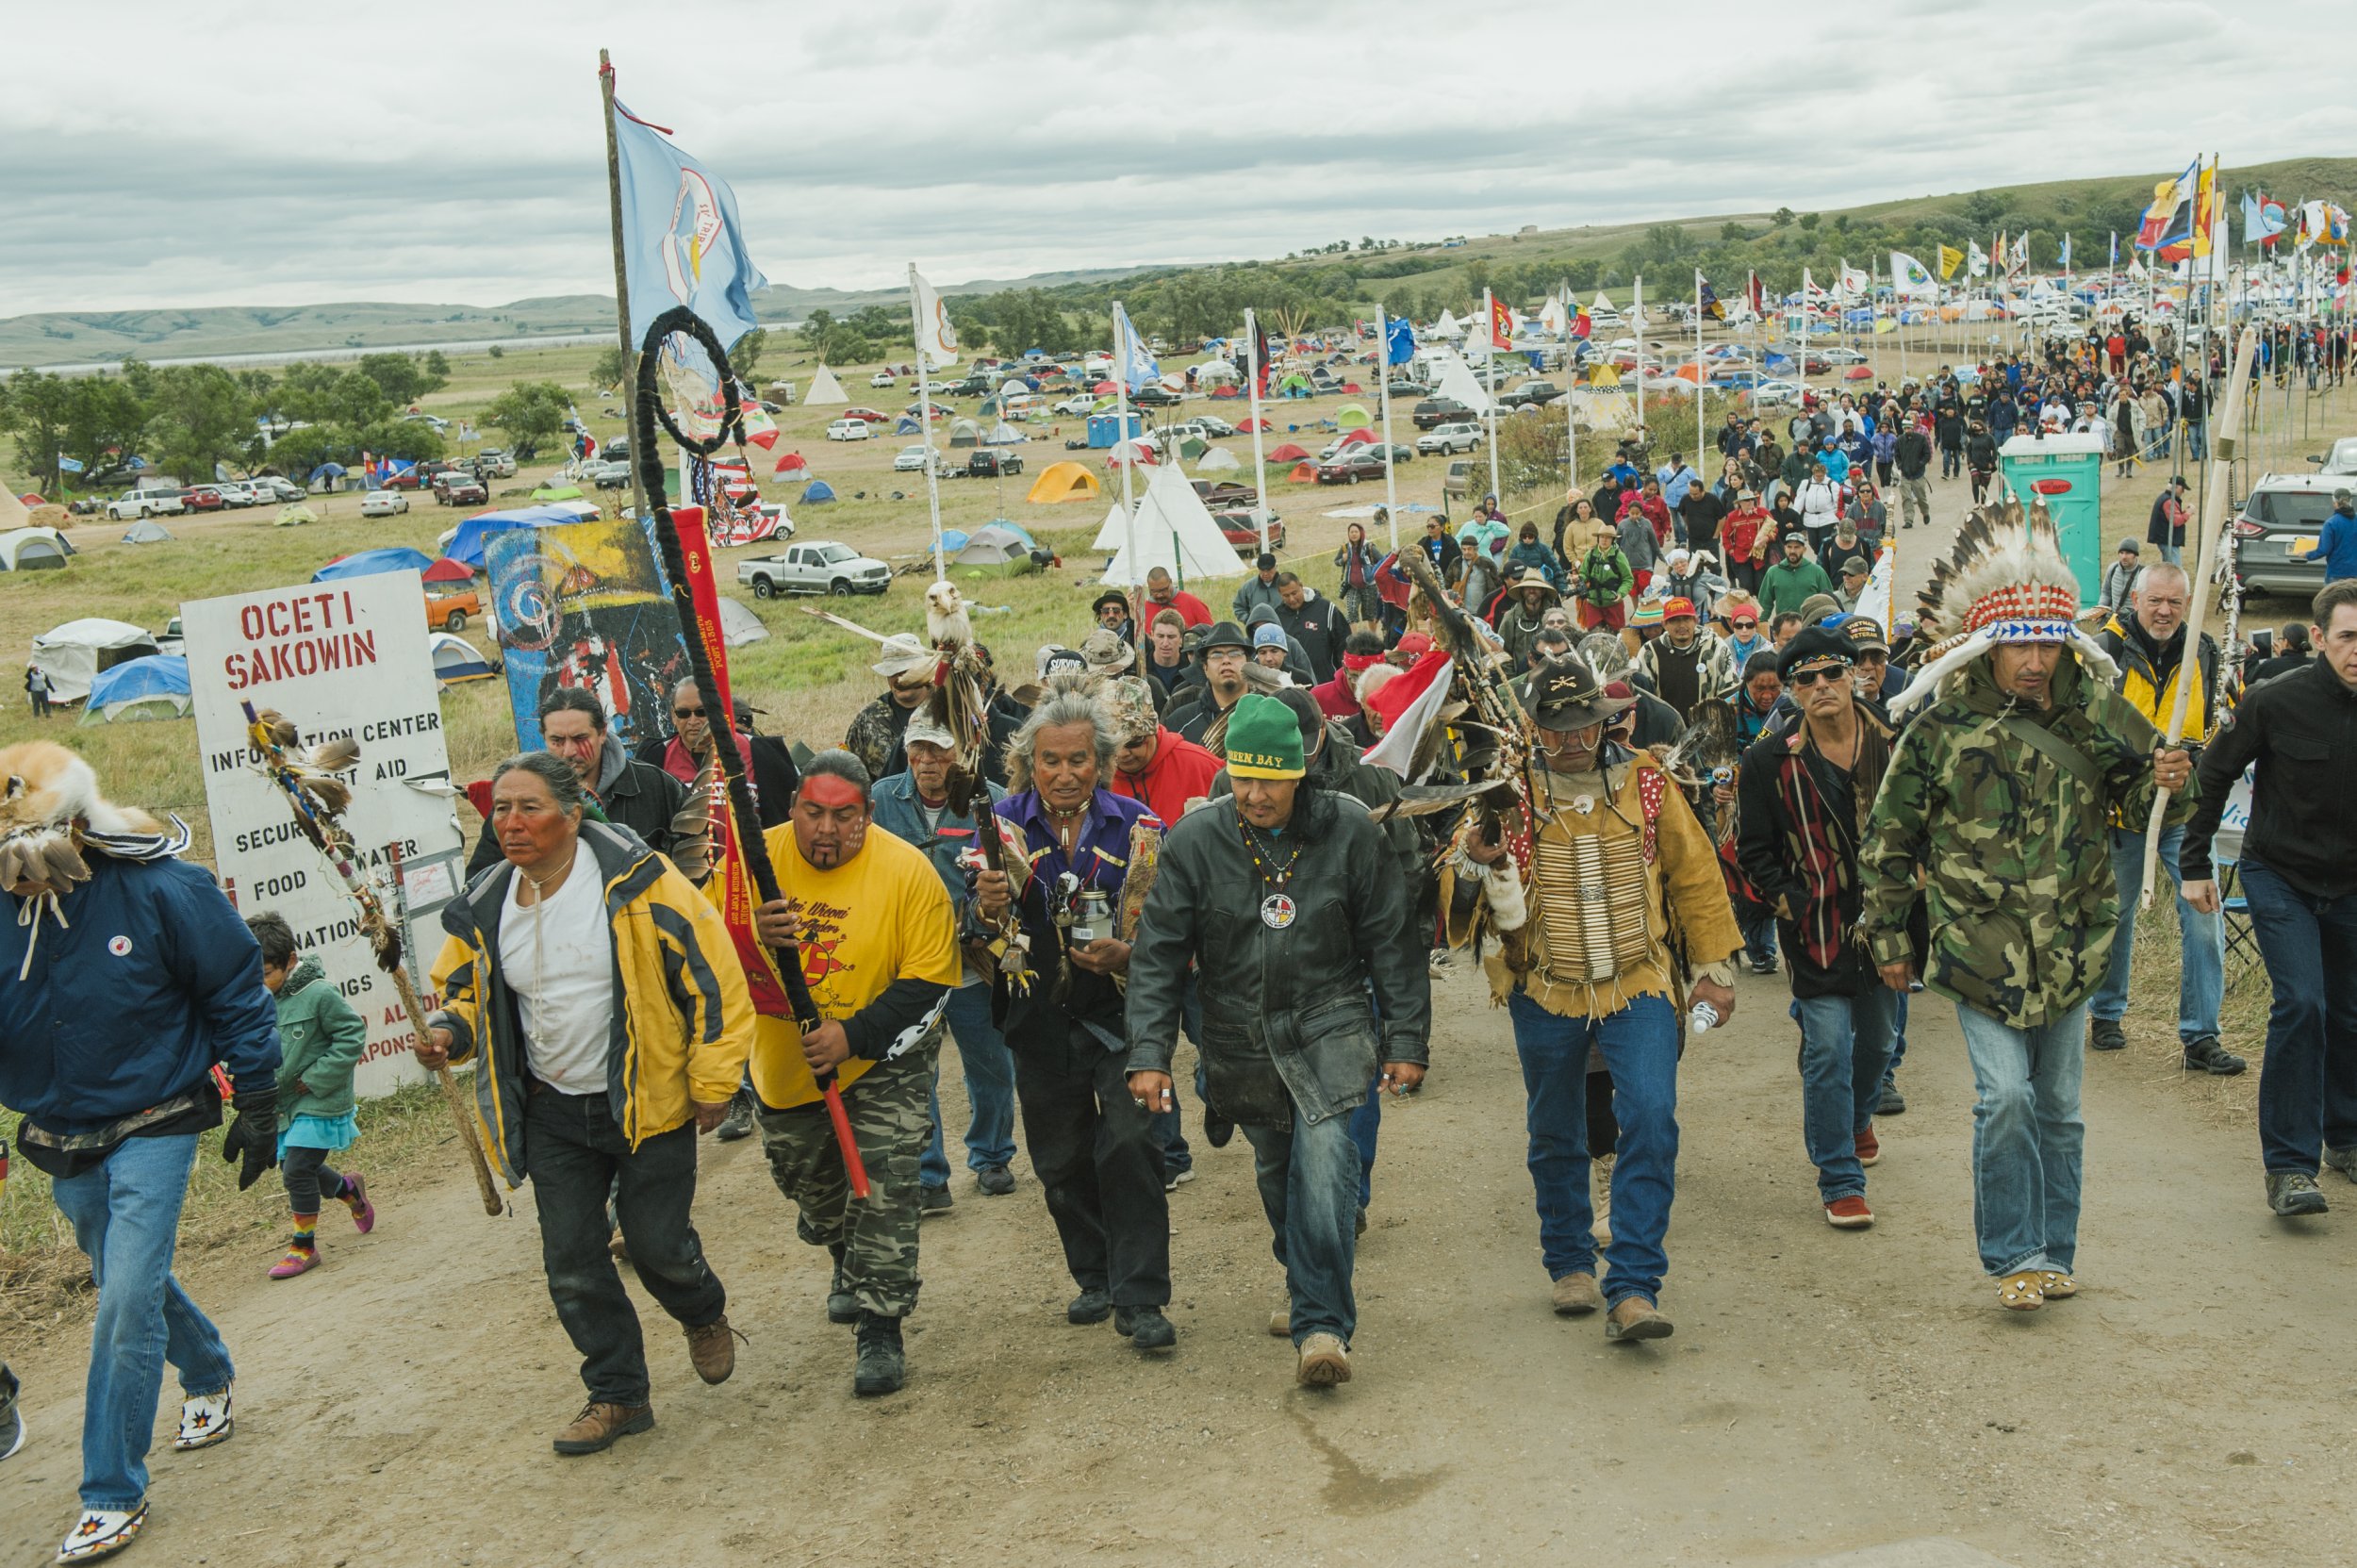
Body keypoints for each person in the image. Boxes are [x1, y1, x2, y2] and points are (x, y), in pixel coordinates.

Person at [1860, 503, 2194, 1310]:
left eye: (2048, 642)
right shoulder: (1938, 729)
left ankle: (2055, 1250)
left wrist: (2170, 784)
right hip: (1977, 952)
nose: (2036, 659)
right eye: (2020, 643)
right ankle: (2013, 1253)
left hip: (2075, 945)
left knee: (2062, 1110)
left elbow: (2140, 798)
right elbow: (1891, 838)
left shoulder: (2097, 711)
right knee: (2004, 1097)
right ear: (1988, 645)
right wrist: (1887, 937)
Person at [424, 751, 754, 1451]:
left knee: (657, 1245)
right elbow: (463, 991)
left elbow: (712, 977)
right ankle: (618, 1394)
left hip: (648, 1100)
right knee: (571, 1258)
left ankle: (703, 1310)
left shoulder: (642, 884)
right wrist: (448, 1033)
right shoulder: (487, 902)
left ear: (573, 814)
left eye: (530, 807)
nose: (511, 823)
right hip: (552, 1112)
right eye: (501, 809)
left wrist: (715, 1077)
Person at [0, 745, 280, 1562]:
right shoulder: (4, 903)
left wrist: (258, 1096)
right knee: (118, 1262)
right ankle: (208, 1371)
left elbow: (234, 986)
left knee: (123, 1296)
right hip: (60, 1127)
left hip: (158, 1113)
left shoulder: (166, 888)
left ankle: (112, 1489)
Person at [1128, 694, 1429, 1386]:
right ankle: (1302, 1273)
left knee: (1324, 1161)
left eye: (1270, 779)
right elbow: (1158, 955)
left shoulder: (1352, 832)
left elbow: (1391, 940)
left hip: (1331, 1023)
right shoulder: (1195, 841)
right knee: (1277, 1168)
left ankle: (1322, 1324)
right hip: (1239, 1035)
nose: (1255, 793)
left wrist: (1406, 1038)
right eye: (1242, 777)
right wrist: (1147, 1054)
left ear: (1301, 773)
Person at [1457, 658, 1741, 1341]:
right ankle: (1568, 1262)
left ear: (1602, 717)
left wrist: (1711, 967)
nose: (1572, 740)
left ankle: (1635, 1283)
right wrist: (1476, 858)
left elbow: (1694, 871)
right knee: (1556, 1129)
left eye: (1583, 724)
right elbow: (1455, 895)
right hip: (1544, 987)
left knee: (1651, 1111)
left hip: (1638, 978)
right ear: (1534, 727)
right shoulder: (1508, 791)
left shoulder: (1646, 779)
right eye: (1556, 730)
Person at [747, 751, 963, 1395]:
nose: (826, 830)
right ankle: (844, 1252)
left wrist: (852, 1035)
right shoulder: (752, 866)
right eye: (813, 813)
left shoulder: (908, 872)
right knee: (812, 1182)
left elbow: (929, 980)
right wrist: (746, 929)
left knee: (885, 1181)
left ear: (868, 815)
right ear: (793, 809)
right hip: (786, 1062)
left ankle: (879, 1323)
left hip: (883, 1055)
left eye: (845, 816)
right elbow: (703, 947)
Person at [975, 690, 1177, 1352]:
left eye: (1079, 760)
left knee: (1130, 1144)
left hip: (1122, 1014)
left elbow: (1174, 929)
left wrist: (1130, 953)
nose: (1065, 773)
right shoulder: (996, 828)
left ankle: (1141, 1296)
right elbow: (972, 933)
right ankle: (1095, 1275)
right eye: (1050, 760)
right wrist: (985, 908)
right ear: (1028, 763)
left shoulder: (1140, 826)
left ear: (1103, 762)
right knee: (1059, 1158)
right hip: (1038, 1017)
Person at [2182, 580, 2357, 1216]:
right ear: (2318, 639)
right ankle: (2289, 1165)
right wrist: (2194, 862)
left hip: (2351, 882)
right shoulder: (2272, 700)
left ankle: (2347, 1135)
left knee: (2350, 1011)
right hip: (2278, 872)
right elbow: (2213, 773)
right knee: (2303, 1002)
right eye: (2347, 637)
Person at [1737, 629, 1918, 1228]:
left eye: (1831, 674)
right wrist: (1785, 901)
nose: (1821, 687)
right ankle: (1840, 1175)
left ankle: (1858, 1114)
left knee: (1879, 1043)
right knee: (1829, 1047)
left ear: (1854, 677)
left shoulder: (1896, 742)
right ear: (1793, 691)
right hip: (1814, 926)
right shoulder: (1769, 758)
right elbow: (1751, 848)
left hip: (1888, 922)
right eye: (1806, 680)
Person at [2086, 563, 2241, 1073]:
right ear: (2137, 601)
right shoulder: (2106, 651)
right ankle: (2106, 1012)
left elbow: (2225, 721)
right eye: (2156, 601)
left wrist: (2197, 761)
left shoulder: (2204, 650)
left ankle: (2201, 1036)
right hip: (2122, 812)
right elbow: (2087, 728)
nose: (2166, 611)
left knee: (2204, 918)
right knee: (2118, 913)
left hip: (2185, 812)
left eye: (2176, 602)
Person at [868, 715, 1021, 1204]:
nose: (927, 762)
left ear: (963, 752)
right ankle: (928, 1174)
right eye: (918, 750)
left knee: (991, 1062)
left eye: (938, 751)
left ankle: (993, 1156)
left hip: (975, 961)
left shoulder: (991, 801)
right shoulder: (881, 801)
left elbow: (1017, 874)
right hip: (909, 963)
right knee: (914, 1069)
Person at [247, 912, 376, 1279]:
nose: (260, 981)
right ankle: (350, 1191)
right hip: (283, 1103)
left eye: (267, 972)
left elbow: (351, 1035)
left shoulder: (319, 994)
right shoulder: (255, 1000)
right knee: (298, 1166)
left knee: (297, 1169)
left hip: (319, 1098)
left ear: (290, 961)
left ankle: (303, 1247)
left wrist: (317, 1077)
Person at [467, 688, 689, 877]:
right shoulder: (517, 798)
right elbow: (482, 881)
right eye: (557, 741)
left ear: (602, 732)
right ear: (543, 736)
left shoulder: (658, 786)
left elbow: (699, 861)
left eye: (580, 739)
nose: (569, 752)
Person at [844, 634, 941, 785]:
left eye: (906, 671)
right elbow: (849, 774)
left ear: (923, 670)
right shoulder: (869, 718)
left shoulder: (945, 709)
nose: (898, 678)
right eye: (892, 672)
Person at [1634, 596, 1736, 721]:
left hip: (1708, 730)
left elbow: (1730, 693)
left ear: (1696, 620)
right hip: (1665, 731)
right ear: (1664, 624)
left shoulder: (1716, 647)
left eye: (1687, 619)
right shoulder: (1649, 652)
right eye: (1675, 620)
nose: (1682, 625)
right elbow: (1642, 698)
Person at [1169, 621, 1253, 745]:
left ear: (1248, 663)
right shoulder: (1180, 722)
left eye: (1235, 654)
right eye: (1216, 655)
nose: (1226, 660)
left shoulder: (1269, 717)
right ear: (1205, 668)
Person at [1274, 571, 1348, 682]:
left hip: (1327, 682)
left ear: (1301, 586)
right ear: (1280, 594)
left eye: (1294, 593)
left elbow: (1344, 644)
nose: (1292, 599)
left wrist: (1344, 676)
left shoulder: (1326, 609)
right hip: (1294, 687)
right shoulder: (1277, 617)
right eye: (1286, 596)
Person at [1759, 532, 1835, 622]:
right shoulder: (1773, 572)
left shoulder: (1817, 572)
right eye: (1789, 547)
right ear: (1784, 548)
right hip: (1784, 628)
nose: (1792, 551)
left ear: (1804, 549)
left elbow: (1829, 602)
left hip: (1810, 626)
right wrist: (1761, 625)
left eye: (1797, 547)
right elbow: (1764, 604)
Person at [1572, 534, 1635, 632]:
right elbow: (1584, 574)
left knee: (1616, 635)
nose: (1604, 540)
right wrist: (1579, 578)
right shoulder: (1590, 554)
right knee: (1594, 635)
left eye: (1608, 537)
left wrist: (1621, 593)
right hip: (1593, 603)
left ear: (1613, 540)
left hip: (1613, 603)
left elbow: (1628, 579)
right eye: (1602, 537)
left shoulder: (1619, 556)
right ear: (1598, 538)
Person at [2299, 488, 2357, 584]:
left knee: (2335, 599)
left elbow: (2324, 549)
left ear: (2334, 503)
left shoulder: (2331, 523)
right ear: (2351, 501)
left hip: (2337, 573)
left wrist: (2307, 555)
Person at [1333, 522, 1382, 627]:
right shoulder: (1345, 548)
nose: (1354, 534)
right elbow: (1336, 562)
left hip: (1369, 586)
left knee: (1371, 614)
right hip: (1351, 586)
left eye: (1356, 532)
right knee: (1351, 613)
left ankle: (1372, 640)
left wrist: (1372, 571)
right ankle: (1354, 642)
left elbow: (1382, 560)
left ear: (1361, 533)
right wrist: (1343, 559)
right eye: (1351, 532)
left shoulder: (1369, 546)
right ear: (1348, 534)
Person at [1894, 418, 1933, 529]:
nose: (1907, 430)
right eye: (1905, 428)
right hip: (1905, 474)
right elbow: (1896, 454)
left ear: (1913, 428)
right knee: (1906, 498)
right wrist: (1900, 465)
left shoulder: (1921, 439)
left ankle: (1925, 512)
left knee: (1921, 498)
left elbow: (1927, 454)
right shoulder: (1900, 440)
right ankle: (1908, 520)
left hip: (1918, 474)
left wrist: (1920, 464)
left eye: (1909, 428)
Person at [1145, 566, 1211, 628]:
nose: (1159, 595)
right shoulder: (1143, 610)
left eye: (1163, 590)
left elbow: (1211, 634)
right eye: (1154, 591)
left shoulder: (1192, 603)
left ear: (1170, 582)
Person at [2146, 474, 2189, 567]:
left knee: (2167, 569)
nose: (2183, 492)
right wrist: (2188, 513)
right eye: (2183, 489)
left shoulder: (2165, 498)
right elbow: (2176, 521)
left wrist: (2184, 513)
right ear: (2176, 487)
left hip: (2165, 540)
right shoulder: (2169, 501)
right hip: (2168, 541)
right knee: (2175, 570)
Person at [1234, 553, 1286, 623]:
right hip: (1257, 630)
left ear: (1276, 567)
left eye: (1268, 570)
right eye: (1262, 570)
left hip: (1284, 629)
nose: (1265, 574)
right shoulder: (1248, 587)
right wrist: (1249, 621)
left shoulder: (1286, 583)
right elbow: (1238, 607)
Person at [2097, 539, 2142, 615]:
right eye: (2121, 553)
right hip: (2114, 617)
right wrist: (2101, 608)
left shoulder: (2143, 573)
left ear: (2135, 555)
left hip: (2134, 619)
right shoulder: (2113, 568)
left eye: (2128, 553)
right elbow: (2106, 592)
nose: (2124, 557)